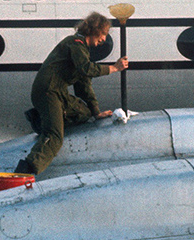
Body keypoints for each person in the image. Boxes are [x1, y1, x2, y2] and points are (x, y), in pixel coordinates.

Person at [15, 12, 127, 176]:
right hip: (48, 91)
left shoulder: (83, 50)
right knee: (55, 136)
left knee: (84, 112)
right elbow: (86, 69)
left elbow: (83, 84)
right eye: (103, 34)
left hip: (57, 92)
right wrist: (114, 68)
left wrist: (96, 111)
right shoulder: (75, 43)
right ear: (94, 30)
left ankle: (44, 120)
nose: (104, 39)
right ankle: (26, 171)